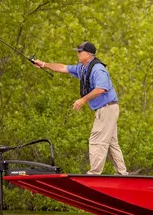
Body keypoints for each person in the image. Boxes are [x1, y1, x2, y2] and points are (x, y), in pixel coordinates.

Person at [34, 42, 128, 176]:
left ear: (88, 54)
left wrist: (83, 100)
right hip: (107, 109)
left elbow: (101, 88)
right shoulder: (82, 68)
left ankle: (94, 174)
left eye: (79, 52)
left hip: (107, 108)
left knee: (96, 140)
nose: (77, 54)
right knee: (111, 143)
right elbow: (62, 67)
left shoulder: (98, 69)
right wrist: (43, 64)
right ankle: (122, 173)